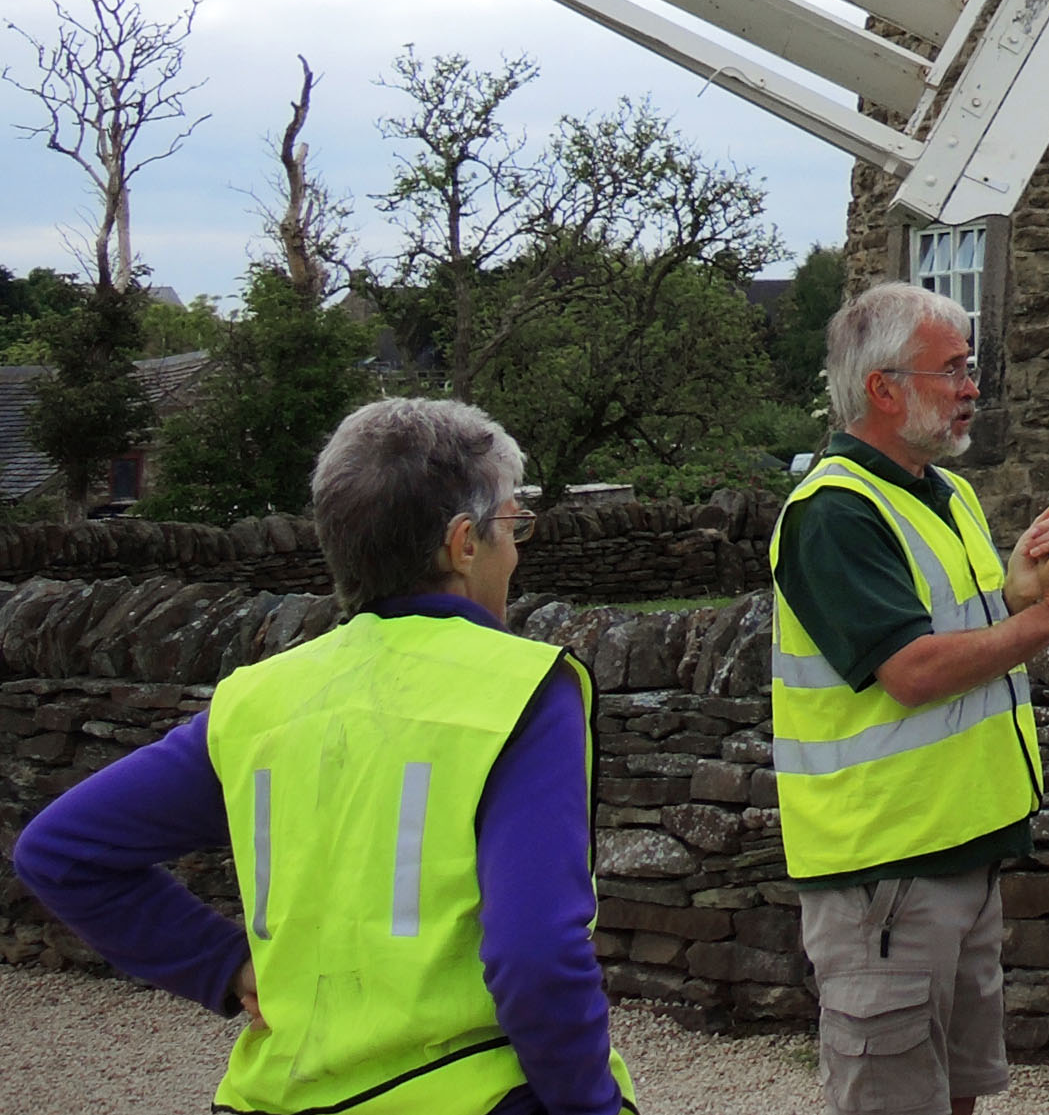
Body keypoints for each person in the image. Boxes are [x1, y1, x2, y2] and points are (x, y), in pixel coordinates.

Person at [12, 397, 629, 1115]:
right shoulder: (524, 689)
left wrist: (223, 961)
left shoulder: (257, 701)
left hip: (270, 1096)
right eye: (512, 524)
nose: (517, 548)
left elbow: (60, 850)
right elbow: (536, 954)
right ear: (464, 543)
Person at [771, 281, 1049, 1115]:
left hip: (954, 852)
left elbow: (952, 632)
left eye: (969, 367)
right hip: (885, 871)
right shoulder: (833, 512)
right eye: (952, 369)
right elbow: (913, 670)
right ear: (884, 388)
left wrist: (1019, 594)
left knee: (954, 1093)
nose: (971, 388)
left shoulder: (943, 491)